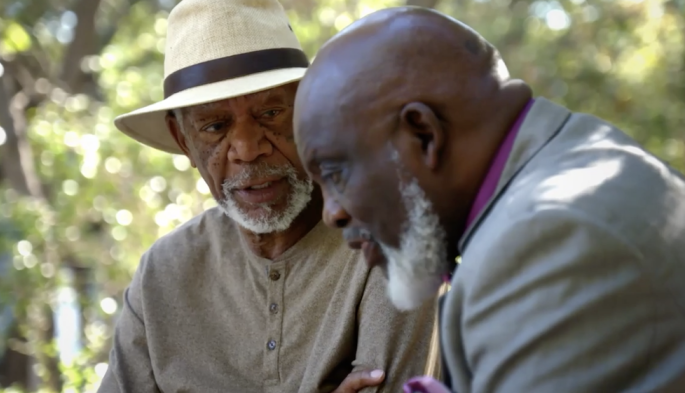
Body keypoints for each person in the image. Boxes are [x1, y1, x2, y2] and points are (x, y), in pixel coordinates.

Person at [293, 6, 685, 393]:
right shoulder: (574, 162)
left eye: (335, 174)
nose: (332, 213)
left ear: (424, 135)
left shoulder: (543, 239)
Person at [99, 1, 441, 392]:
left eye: (271, 113)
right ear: (184, 142)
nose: (247, 148)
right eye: (215, 126)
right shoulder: (162, 276)